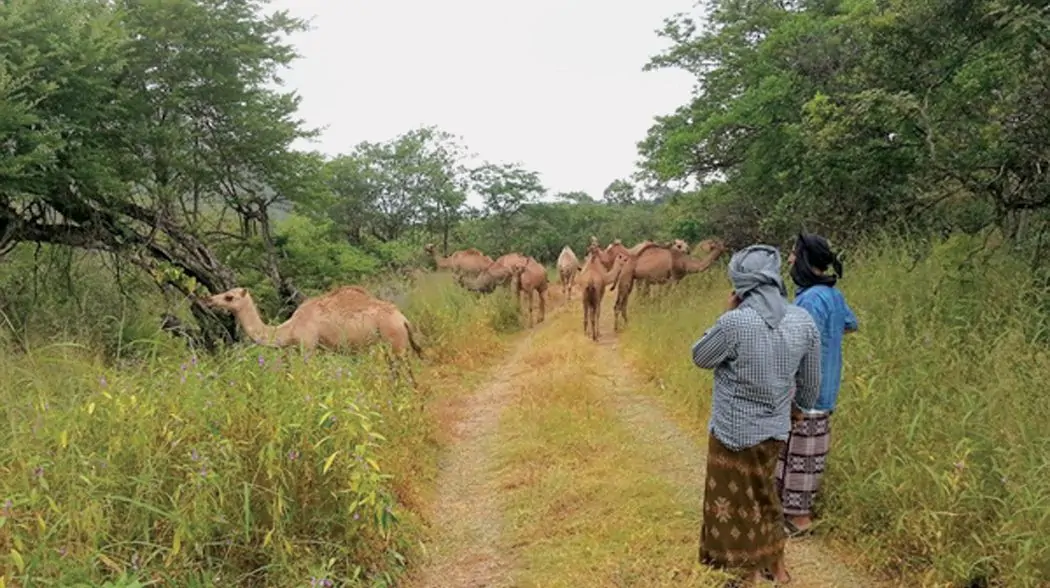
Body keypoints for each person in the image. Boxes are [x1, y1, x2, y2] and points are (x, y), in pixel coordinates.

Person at [692, 244, 822, 586]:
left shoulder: (736, 323)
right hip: (775, 430)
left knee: (735, 505)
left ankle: (746, 574)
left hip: (732, 433)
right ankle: (777, 569)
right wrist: (794, 413)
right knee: (766, 496)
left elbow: (701, 357)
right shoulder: (802, 320)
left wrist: (726, 313)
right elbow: (810, 385)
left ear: (741, 282)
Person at [776, 233, 858, 537]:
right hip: (827, 387)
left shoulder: (809, 299)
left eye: (794, 254)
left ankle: (798, 519)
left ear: (806, 260)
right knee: (810, 453)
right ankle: (794, 514)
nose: (790, 260)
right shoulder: (832, 295)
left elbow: (798, 344)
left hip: (806, 390)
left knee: (799, 455)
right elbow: (850, 325)